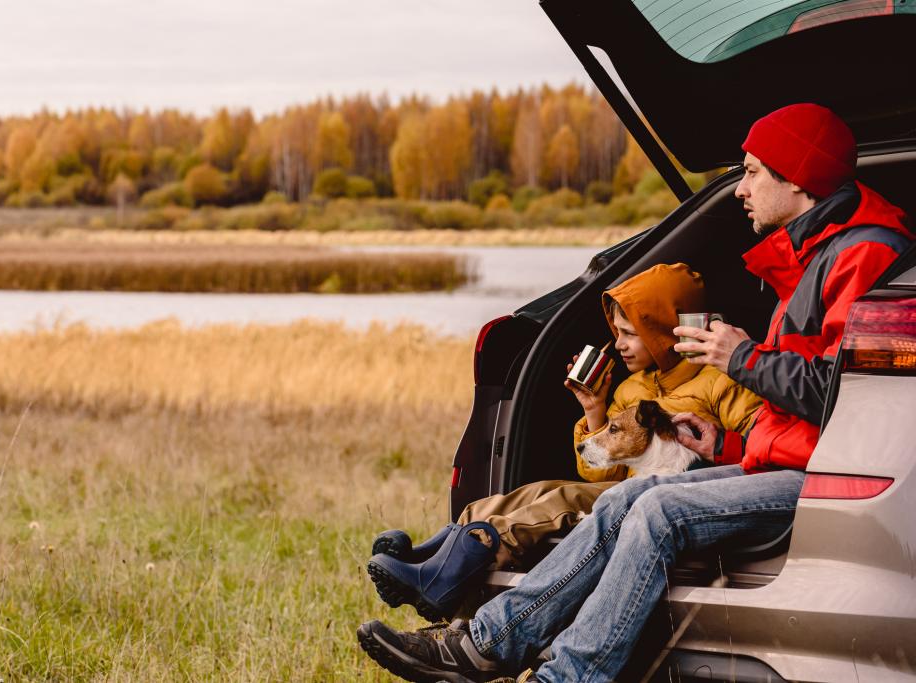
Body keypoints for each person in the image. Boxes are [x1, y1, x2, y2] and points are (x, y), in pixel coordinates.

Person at [356, 102, 913, 683]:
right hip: (782, 464)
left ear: (796, 176)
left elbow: (849, 396)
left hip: (827, 479)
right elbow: (803, 409)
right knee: (620, 500)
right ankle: (483, 644)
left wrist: (740, 357)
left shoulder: (864, 254)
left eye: (752, 172)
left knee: (658, 509)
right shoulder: (814, 254)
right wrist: (722, 446)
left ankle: (566, 676)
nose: (740, 188)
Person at [366, 263, 762, 624]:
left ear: (662, 330)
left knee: (563, 501)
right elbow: (597, 469)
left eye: (630, 334)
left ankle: (442, 583)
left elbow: (757, 441)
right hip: (623, 488)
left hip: (669, 495)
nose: (620, 344)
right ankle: (428, 559)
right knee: (531, 493)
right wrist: (594, 409)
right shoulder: (632, 387)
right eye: (616, 334)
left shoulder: (718, 379)